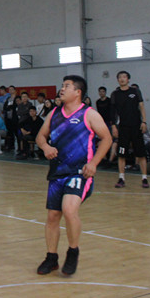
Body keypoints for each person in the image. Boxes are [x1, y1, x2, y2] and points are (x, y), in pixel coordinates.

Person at [35, 75, 112, 276]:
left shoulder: (89, 114)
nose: (62, 89)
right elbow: (40, 136)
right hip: (57, 172)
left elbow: (107, 138)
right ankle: (51, 257)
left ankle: (73, 251)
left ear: (78, 92)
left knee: (69, 210)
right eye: (62, 86)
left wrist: (93, 163)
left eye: (67, 86)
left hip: (80, 173)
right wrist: (45, 147)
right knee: (53, 216)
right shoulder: (54, 113)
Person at [110, 71, 150, 189]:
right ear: (117, 80)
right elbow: (113, 112)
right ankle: (121, 178)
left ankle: (144, 178)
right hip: (123, 127)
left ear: (128, 79)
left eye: (124, 77)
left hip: (136, 126)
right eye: (119, 77)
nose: (122, 79)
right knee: (121, 154)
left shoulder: (135, 91)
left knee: (141, 153)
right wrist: (113, 126)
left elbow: (141, 106)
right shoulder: (115, 94)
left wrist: (144, 121)